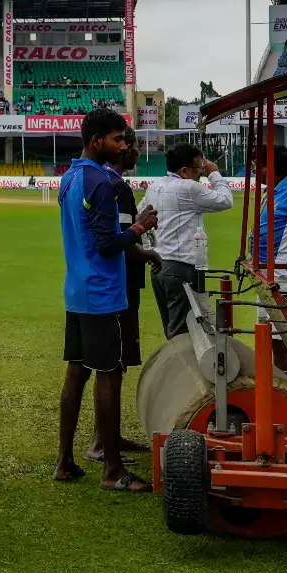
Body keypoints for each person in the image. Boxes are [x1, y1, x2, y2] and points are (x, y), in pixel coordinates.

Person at [56, 107, 157, 492]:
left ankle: (65, 461)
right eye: (117, 139)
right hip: (103, 291)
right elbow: (106, 242)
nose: (122, 145)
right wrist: (139, 228)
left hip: (78, 289)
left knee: (77, 370)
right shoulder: (100, 181)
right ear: (97, 141)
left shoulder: (70, 178)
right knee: (110, 374)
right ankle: (112, 470)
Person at [87, 127, 156, 462]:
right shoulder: (118, 187)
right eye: (131, 145)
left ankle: (108, 436)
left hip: (109, 284)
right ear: (122, 152)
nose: (137, 152)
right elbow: (123, 243)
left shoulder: (102, 181)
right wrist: (149, 250)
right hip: (121, 286)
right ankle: (102, 443)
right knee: (113, 366)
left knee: (111, 366)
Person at [145, 142, 234, 338]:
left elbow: (141, 218)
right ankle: (182, 368)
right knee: (185, 333)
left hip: (158, 265)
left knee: (171, 329)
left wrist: (149, 248)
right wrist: (214, 173)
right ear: (185, 171)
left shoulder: (155, 187)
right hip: (181, 267)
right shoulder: (189, 188)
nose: (201, 172)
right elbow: (226, 200)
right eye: (198, 168)